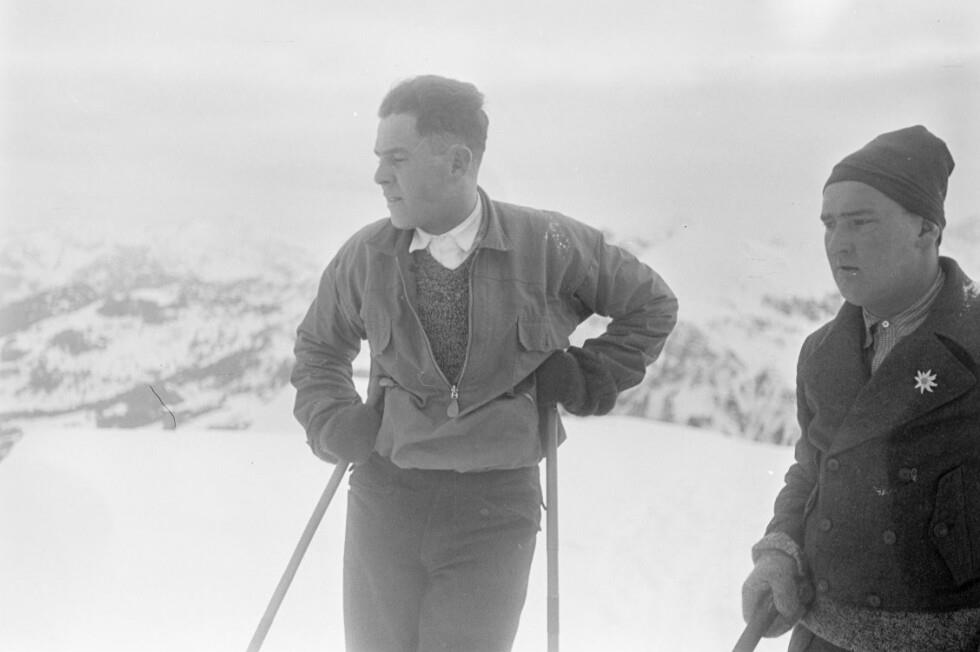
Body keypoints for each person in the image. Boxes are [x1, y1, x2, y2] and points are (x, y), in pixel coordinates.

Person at [291, 75, 678, 652]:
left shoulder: (546, 243)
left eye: (397, 158)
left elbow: (651, 304)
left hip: (494, 511)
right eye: (378, 159)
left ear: (458, 161)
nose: (380, 176)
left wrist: (589, 375)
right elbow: (319, 349)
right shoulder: (366, 256)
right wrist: (330, 418)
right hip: (385, 498)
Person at [741, 125, 980, 651]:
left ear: (926, 228)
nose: (837, 243)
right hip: (821, 635)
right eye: (829, 224)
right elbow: (813, 471)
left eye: (860, 221)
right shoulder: (820, 354)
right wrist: (779, 550)